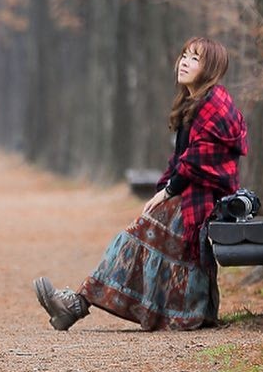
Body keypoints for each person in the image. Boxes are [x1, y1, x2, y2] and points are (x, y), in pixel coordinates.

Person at [33, 35, 248, 332]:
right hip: (191, 195)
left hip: (207, 201)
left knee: (135, 235)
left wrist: (168, 191)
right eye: (184, 54)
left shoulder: (215, 105)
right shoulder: (194, 102)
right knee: (135, 235)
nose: (184, 62)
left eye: (195, 58)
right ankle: (76, 305)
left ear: (210, 68)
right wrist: (167, 189)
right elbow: (182, 160)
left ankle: (76, 305)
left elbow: (199, 160)